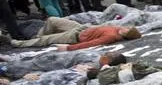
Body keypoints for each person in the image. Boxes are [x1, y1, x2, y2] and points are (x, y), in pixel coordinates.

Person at [6, 17, 140, 50]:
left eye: (127, 29)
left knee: (46, 40)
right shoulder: (117, 28)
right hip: (80, 28)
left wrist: (69, 48)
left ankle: (17, 43)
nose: (125, 27)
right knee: (52, 20)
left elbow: (92, 43)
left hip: (75, 36)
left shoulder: (112, 36)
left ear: (126, 34)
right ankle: (38, 35)